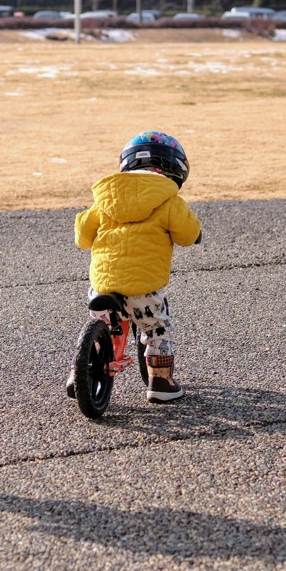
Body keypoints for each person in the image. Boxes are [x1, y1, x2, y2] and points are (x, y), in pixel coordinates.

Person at [70, 131, 202, 403]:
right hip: (144, 289)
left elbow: (83, 237)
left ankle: (77, 373)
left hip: (102, 285)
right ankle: (160, 382)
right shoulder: (168, 199)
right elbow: (188, 235)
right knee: (156, 329)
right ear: (173, 168)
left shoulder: (106, 198)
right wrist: (196, 234)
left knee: (101, 322)